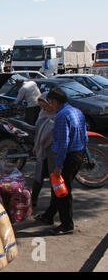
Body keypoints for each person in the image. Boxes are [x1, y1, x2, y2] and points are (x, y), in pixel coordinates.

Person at [34, 87, 88, 235]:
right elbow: (85, 135)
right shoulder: (77, 111)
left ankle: (66, 224)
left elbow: (63, 142)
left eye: (50, 102)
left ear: (55, 101)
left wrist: (59, 165)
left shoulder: (61, 116)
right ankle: (48, 216)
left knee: (63, 192)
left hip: (68, 157)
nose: (49, 106)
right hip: (78, 153)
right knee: (58, 188)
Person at [31, 92, 56, 207]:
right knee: (38, 176)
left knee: (54, 179)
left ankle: (54, 205)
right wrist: (36, 146)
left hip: (53, 152)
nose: (44, 108)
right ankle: (33, 199)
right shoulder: (43, 114)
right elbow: (38, 133)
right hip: (42, 150)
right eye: (42, 106)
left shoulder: (59, 115)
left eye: (46, 105)